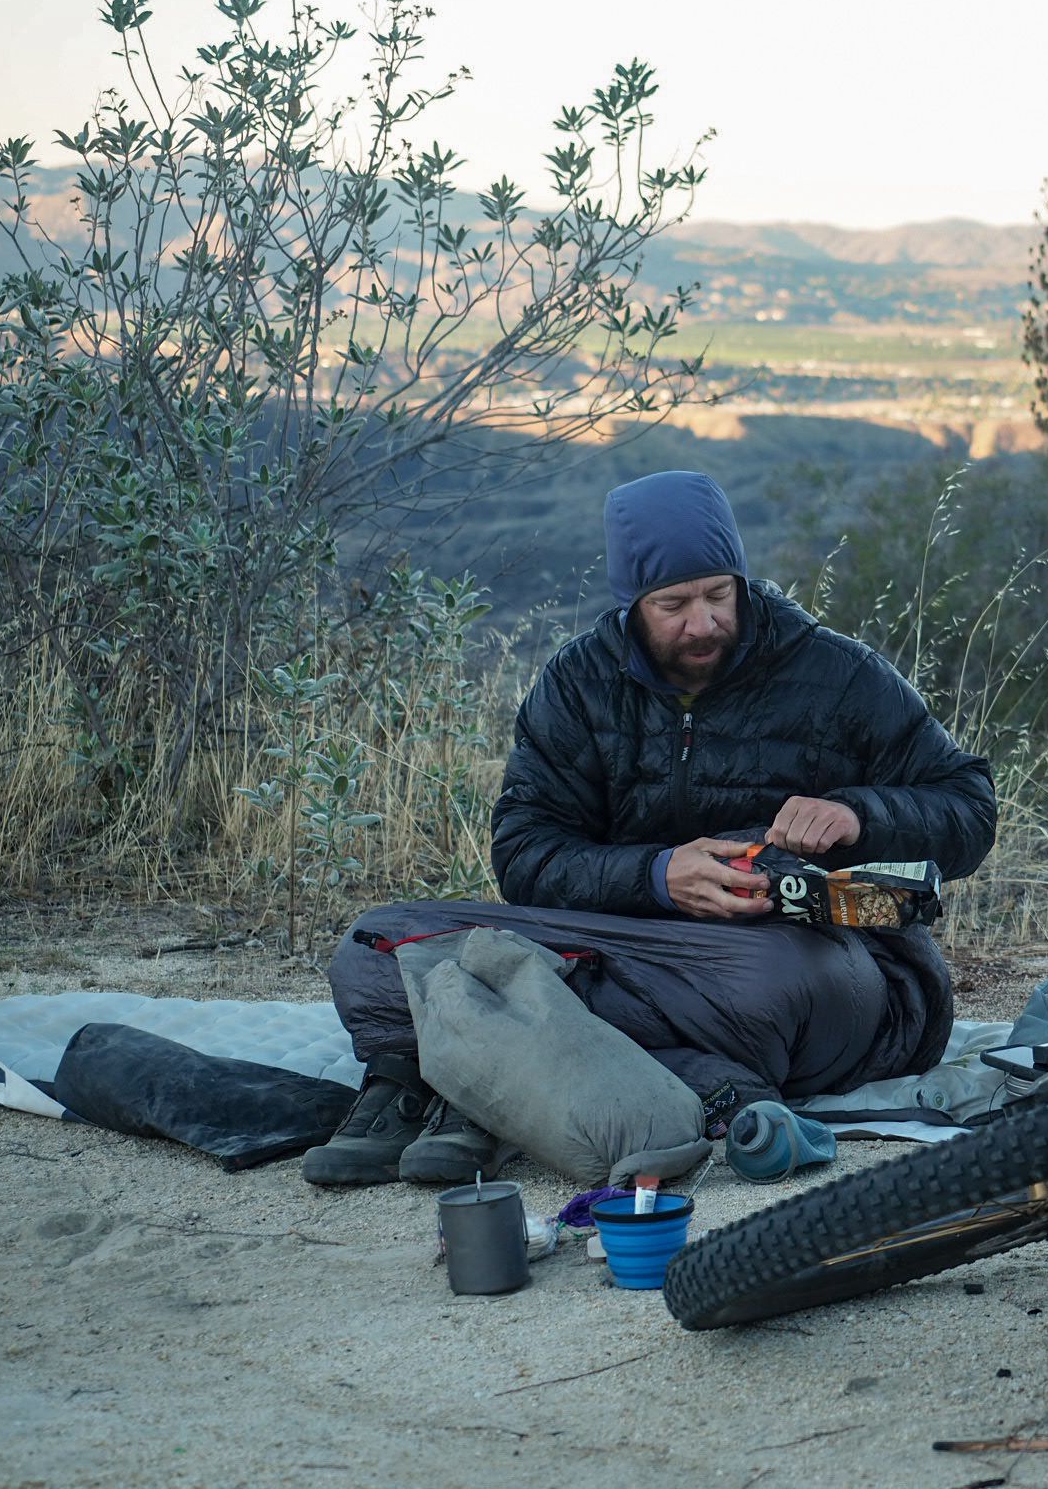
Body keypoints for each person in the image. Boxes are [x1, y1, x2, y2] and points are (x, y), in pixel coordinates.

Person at [302, 470, 997, 1186]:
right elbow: (526, 857)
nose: (702, 623)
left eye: (719, 595)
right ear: (632, 601)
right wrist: (657, 876)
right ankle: (689, 1080)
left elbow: (971, 809)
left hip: (810, 968)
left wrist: (860, 814)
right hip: (632, 947)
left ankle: (465, 1069)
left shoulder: (838, 673)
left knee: (767, 987)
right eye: (673, 604)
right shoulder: (578, 684)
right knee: (375, 945)